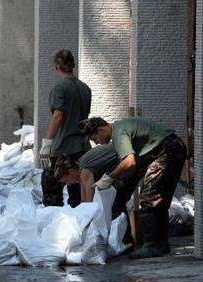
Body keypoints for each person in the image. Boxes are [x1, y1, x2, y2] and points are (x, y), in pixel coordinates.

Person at [78, 116, 187, 258]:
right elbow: (130, 168)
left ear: (101, 129)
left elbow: (130, 162)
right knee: (121, 194)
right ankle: (129, 243)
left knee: (150, 198)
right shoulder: (120, 128)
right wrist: (118, 184)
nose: (97, 143)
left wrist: (109, 177)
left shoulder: (118, 133)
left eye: (95, 139)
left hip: (167, 149)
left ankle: (153, 245)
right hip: (162, 150)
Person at [39, 49, 92, 208]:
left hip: (62, 147)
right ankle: (77, 225)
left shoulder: (60, 88)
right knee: (76, 188)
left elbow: (58, 116)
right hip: (83, 147)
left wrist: (46, 144)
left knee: (51, 188)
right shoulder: (85, 88)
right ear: (72, 65)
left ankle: (54, 225)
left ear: (57, 67)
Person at [54, 144, 138, 242]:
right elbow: (83, 202)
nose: (68, 184)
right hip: (123, 160)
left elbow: (90, 205)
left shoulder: (84, 172)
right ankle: (122, 241)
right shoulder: (81, 170)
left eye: (66, 180)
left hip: (128, 160)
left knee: (116, 205)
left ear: (71, 172)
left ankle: (125, 242)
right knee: (113, 203)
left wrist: (84, 229)